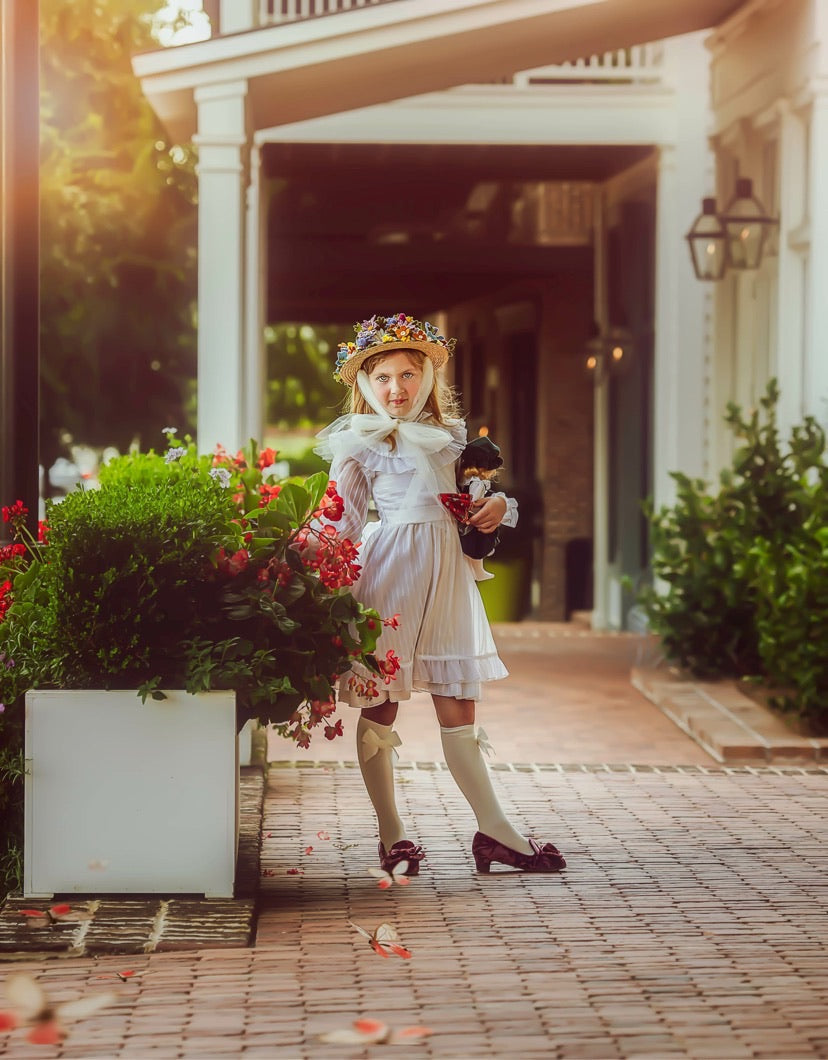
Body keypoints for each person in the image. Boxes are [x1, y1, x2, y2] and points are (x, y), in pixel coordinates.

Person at [314, 313, 565, 875]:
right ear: (363, 384)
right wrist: (298, 563)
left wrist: (497, 508)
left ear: (427, 379)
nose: (396, 388)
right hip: (390, 577)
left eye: (408, 374)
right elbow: (342, 522)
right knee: (381, 703)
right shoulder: (357, 445)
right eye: (382, 377)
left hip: (447, 578)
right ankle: (391, 833)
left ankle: (495, 830)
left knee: (459, 703)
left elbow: (479, 507)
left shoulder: (454, 440)